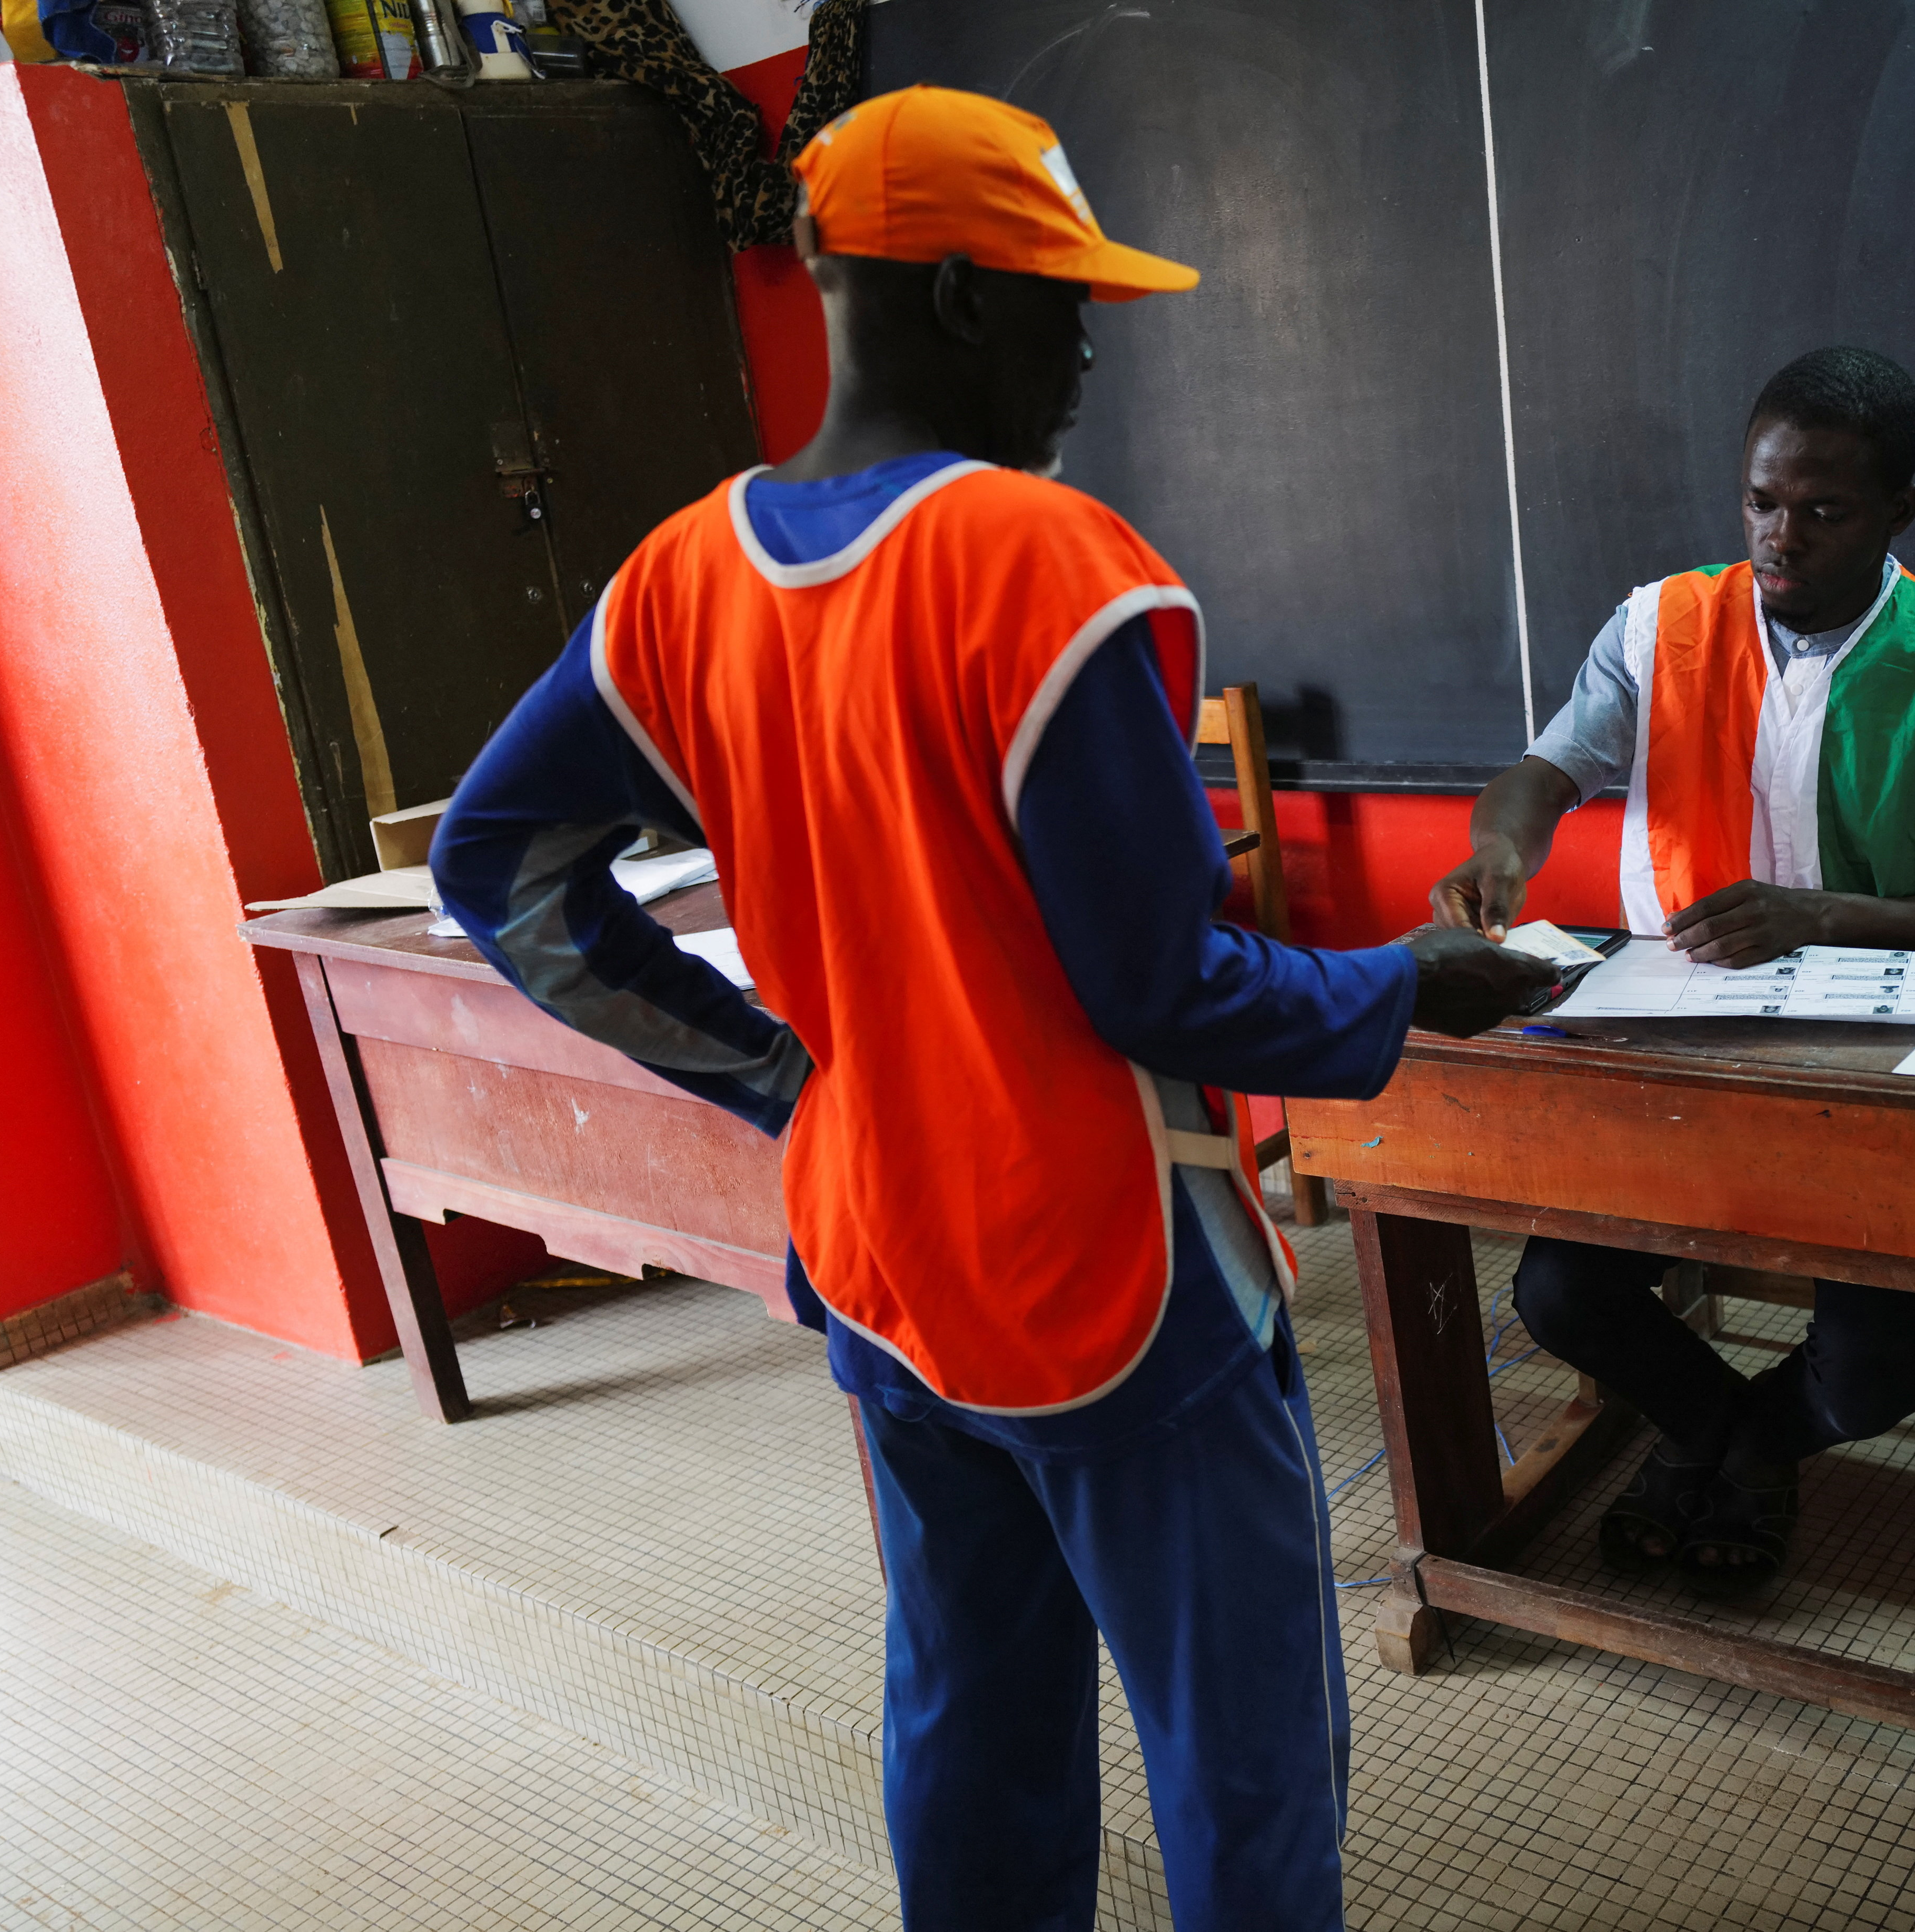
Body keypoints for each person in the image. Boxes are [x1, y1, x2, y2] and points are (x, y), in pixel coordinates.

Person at [431, 85, 1553, 1932]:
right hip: (1108, 1273)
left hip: (879, 1250)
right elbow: (1160, 983)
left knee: (971, 1705)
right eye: (1060, 294)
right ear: (954, 296)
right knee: (1242, 1759)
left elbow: (506, 871)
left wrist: (793, 1085)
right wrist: (1403, 983)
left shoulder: (675, 579)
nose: (1089, 348)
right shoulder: (1048, 565)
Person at [1428, 346, 1915, 1594]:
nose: (1781, 538)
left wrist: (1821, 914)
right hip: (1681, 1049)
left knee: (1881, 1368)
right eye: (1760, 504)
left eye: (1823, 511)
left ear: (1901, 513)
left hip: (1876, 1065)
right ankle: (1734, 1444)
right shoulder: (1662, 623)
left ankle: (1730, 1445)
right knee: (1558, 1292)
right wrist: (1498, 847)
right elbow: (1544, 771)